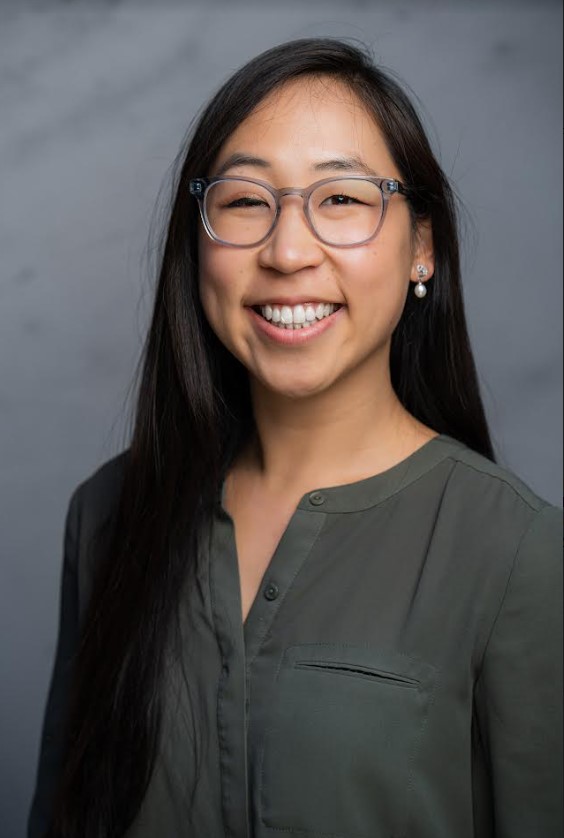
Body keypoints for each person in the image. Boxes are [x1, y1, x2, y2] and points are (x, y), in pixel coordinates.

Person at [28, 38, 562, 838]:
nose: (286, 251)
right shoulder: (107, 515)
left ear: (423, 246)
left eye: (343, 199)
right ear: (197, 239)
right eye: (245, 201)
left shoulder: (516, 552)